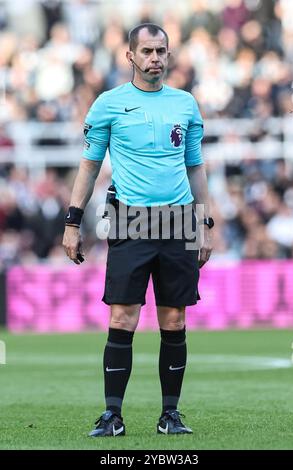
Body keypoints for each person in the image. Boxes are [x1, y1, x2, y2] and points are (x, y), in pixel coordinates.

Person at [62, 23, 213, 437]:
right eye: (146, 51)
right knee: (123, 316)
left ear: (169, 54)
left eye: (161, 51)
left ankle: (170, 415)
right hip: (131, 219)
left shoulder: (185, 104)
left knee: (174, 319)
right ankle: (112, 415)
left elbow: (195, 167)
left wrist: (205, 223)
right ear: (130, 56)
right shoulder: (109, 104)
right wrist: (72, 222)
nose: (155, 59)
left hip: (180, 218)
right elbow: (89, 166)